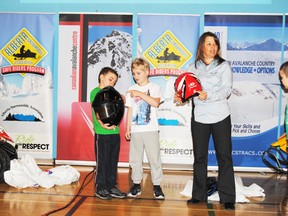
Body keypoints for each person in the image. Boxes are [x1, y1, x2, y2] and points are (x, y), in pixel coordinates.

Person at [174, 31, 236, 210]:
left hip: (220, 116)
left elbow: (227, 90)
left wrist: (208, 96)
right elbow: (187, 91)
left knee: (224, 157)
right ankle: (198, 195)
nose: (212, 47)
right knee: (199, 158)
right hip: (199, 117)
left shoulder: (224, 66)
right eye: (208, 43)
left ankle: (228, 197)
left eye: (214, 43)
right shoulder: (192, 67)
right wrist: (180, 98)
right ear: (202, 46)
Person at [125, 57, 165, 199]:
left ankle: (157, 186)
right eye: (134, 73)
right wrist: (127, 128)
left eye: (139, 73)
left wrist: (140, 94)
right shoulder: (131, 89)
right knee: (135, 159)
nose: (136, 76)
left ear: (147, 72)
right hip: (136, 130)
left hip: (151, 129)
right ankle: (136, 184)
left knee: (154, 158)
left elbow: (155, 103)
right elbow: (129, 110)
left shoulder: (155, 87)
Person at [90, 67, 126, 200]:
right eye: (110, 79)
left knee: (113, 161)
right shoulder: (96, 92)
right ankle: (101, 187)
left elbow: (117, 107)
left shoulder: (113, 93)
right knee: (103, 161)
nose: (112, 83)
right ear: (101, 77)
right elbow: (97, 110)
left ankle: (111, 186)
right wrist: (101, 124)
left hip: (115, 132)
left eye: (114, 82)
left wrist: (120, 99)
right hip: (102, 133)